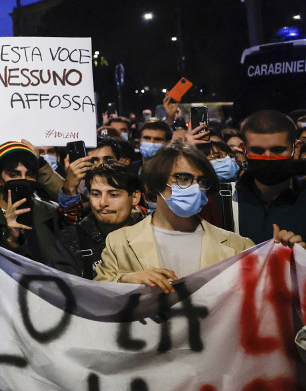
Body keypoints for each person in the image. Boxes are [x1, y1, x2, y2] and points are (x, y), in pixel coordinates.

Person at [95, 141, 301, 288]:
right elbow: (95, 296)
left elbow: (264, 300)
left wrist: (288, 262)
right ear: (155, 184)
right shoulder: (119, 242)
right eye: (182, 178)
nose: (195, 187)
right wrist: (124, 281)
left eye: (201, 181)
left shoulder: (238, 246)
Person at [54, 163, 144, 279]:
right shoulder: (71, 239)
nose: (102, 203)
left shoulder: (152, 233)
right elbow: (64, 291)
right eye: (96, 194)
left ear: (135, 197)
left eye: (113, 195)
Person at [234, 109, 306, 243]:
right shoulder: (223, 200)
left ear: (296, 149)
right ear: (244, 150)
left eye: (277, 150)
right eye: (257, 151)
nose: (267, 158)